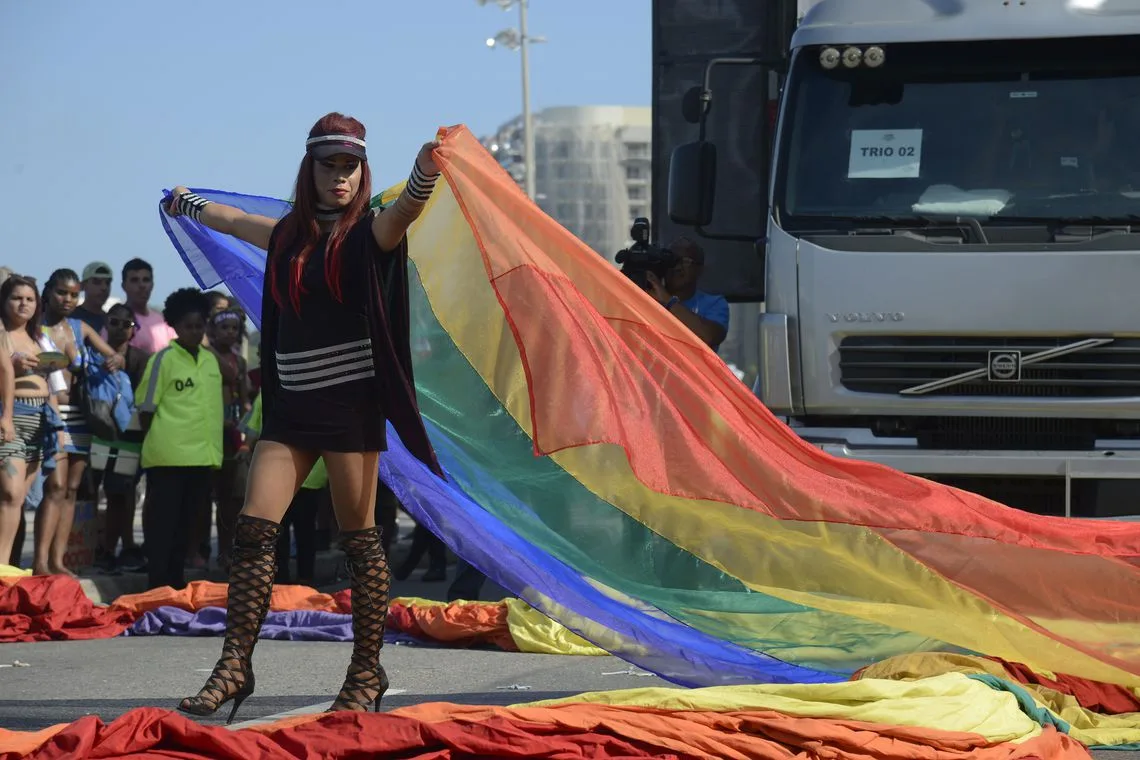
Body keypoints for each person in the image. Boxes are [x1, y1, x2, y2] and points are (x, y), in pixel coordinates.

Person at [166, 112, 443, 720]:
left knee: (361, 543)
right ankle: (234, 667)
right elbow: (234, 221)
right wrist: (186, 203)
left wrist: (423, 172)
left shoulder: (371, 234)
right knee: (251, 533)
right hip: (291, 407)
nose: (340, 177)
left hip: (350, 407)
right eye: (329, 166)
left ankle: (366, 674)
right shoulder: (289, 234)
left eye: (350, 167)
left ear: (362, 172)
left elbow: (406, 212)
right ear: (310, 169)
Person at [34, 269, 124, 577]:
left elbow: (115, 356)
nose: (68, 299)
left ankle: (58, 562)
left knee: (72, 489)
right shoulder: (35, 328)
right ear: (48, 293)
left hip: (81, 417)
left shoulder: (79, 327)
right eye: (62, 292)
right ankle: (40, 562)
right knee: (55, 487)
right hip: (49, 415)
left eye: (74, 294)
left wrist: (112, 360)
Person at [136, 289, 223, 591]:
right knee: (163, 529)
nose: (195, 332)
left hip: (202, 458)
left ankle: (175, 585)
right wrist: (161, 440)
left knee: (187, 530)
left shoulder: (211, 362)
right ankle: (157, 587)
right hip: (168, 458)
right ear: (175, 326)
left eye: (200, 326)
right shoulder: (163, 360)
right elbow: (146, 409)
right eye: (189, 326)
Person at [0, 275, 66, 567]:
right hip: (10, 418)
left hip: (41, 422)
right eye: (17, 298)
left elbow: (54, 387)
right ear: (4, 302)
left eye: (29, 299)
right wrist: (12, 367)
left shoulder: (41, 338)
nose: (23, 304)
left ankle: (7, 567)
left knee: (19, 502)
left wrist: (59, 432)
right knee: (10, 494)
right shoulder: (1, 335)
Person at [90, 303, 150, 573]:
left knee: (122, 495)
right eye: (113, 322)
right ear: (106, 324)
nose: (119, 328)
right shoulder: (92, 353)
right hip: (98, 434)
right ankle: (99, 548)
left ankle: (124, 547)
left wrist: (125, 367)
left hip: (129, 436)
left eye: (125, 324)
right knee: (91, 493)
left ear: (133, 330)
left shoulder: (140, 359)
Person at [202, 307, 251, 572]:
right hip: (210, 431)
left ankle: (227, 550)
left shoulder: (240, 361)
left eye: (234, 328)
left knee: (233, 498)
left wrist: (245, 430)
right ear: (213, 331)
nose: (230, 332)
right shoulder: (207, 355)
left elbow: (244, 400)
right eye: (224, 327)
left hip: (233, 433)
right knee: (210, 495)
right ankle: (202, 549)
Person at [645, 237, 730, 351]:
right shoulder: (648, 298)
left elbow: (708, 336)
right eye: (672, 260)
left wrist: (667, 299)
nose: (678, 267)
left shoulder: (714, 303)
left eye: (686, 262)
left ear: (699, 269)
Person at [122, 259, 177, 355]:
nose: (141, 285)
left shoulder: (163, 321)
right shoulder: (115, 321)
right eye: (135, 280)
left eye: (146, 280)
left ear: (152, 285)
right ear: (124, 286)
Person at [72, 261, 114, 334]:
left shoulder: (112, 321)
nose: (104, 287)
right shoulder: (71, 318)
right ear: (83, 286)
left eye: (107, 283)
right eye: (97, 282)